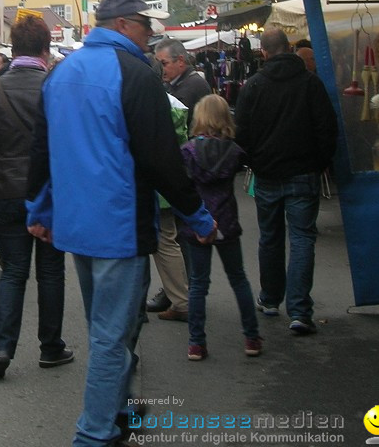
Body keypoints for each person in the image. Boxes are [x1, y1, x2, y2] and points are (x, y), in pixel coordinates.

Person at [26, 0, 216, 447]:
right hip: (119, 223)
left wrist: (38, 209)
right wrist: (198, 215)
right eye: (147, 25)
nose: (152, 35)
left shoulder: (61, 73)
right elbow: (160, 159)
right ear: (125, 24)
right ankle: (93, 432)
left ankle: (121, 406)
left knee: (110, 327)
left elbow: (42, 149)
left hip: (78, 223)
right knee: (113, 334)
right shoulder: (137, 74)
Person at [0, 15, 72, 380]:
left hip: (5, 191)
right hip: (49, 193)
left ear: (13, 50)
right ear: (46, 49)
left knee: (13, 272)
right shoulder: (56, 86)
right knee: (50, 271)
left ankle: (1, 347)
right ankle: (51, 346)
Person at [235, 28, 337, 335]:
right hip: (304, 172)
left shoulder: (253, 86)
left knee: (270, 237)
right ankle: (299, 310)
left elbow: (242, 134)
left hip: (266, 173)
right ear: (290, 49)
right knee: (303, 238)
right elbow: (327, 128)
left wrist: (253, 161)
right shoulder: (310, 83)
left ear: (263, 52)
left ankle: (269, 299)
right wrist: (319, 164)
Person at [178, 94, 261, 360]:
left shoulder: (188, 151)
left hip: (198, 222)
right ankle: (251, 337)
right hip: (226, 220)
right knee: (238, 279)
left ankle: (196, 343)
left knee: (198, 284)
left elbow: (183, 186)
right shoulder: (234, 152)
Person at [144, 38, 214, 322]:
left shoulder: (171, 97)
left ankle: (182, 297)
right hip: (171, 179)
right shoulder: (172, 98)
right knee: (168, 240)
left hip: (161, 182)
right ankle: (182, 295)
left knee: (165, 241)